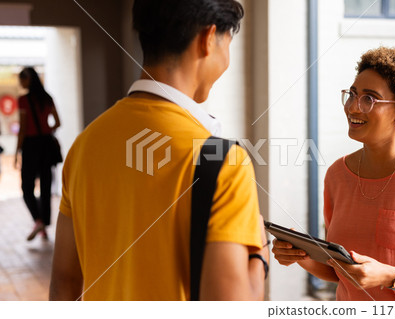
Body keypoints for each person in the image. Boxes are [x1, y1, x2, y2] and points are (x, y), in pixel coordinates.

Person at [50, 0, 269, 301]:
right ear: (208, 39)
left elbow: (64, 284)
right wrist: (260, 257)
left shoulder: (84, 145)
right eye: (227, 44)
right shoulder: (226, 163)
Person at [273, 46, 395, 301]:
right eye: (352, 94)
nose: (353, 108)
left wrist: (392, 276)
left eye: (369, 99)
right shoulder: (337, 175)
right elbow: (342, 271)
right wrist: (302, 257)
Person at [16, 67, 61, 241]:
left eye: (22, 79)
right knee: (45, 185)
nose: (20, 83)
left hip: (31, 145)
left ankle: (38, 219)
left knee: (27, 187)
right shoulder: (47, 98)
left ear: (29, 80)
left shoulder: (23, 101)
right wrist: (46, 130)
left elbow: (22, 128)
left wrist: (16, 151)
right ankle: (44, 225)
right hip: (46, 144)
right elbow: (58, 122)